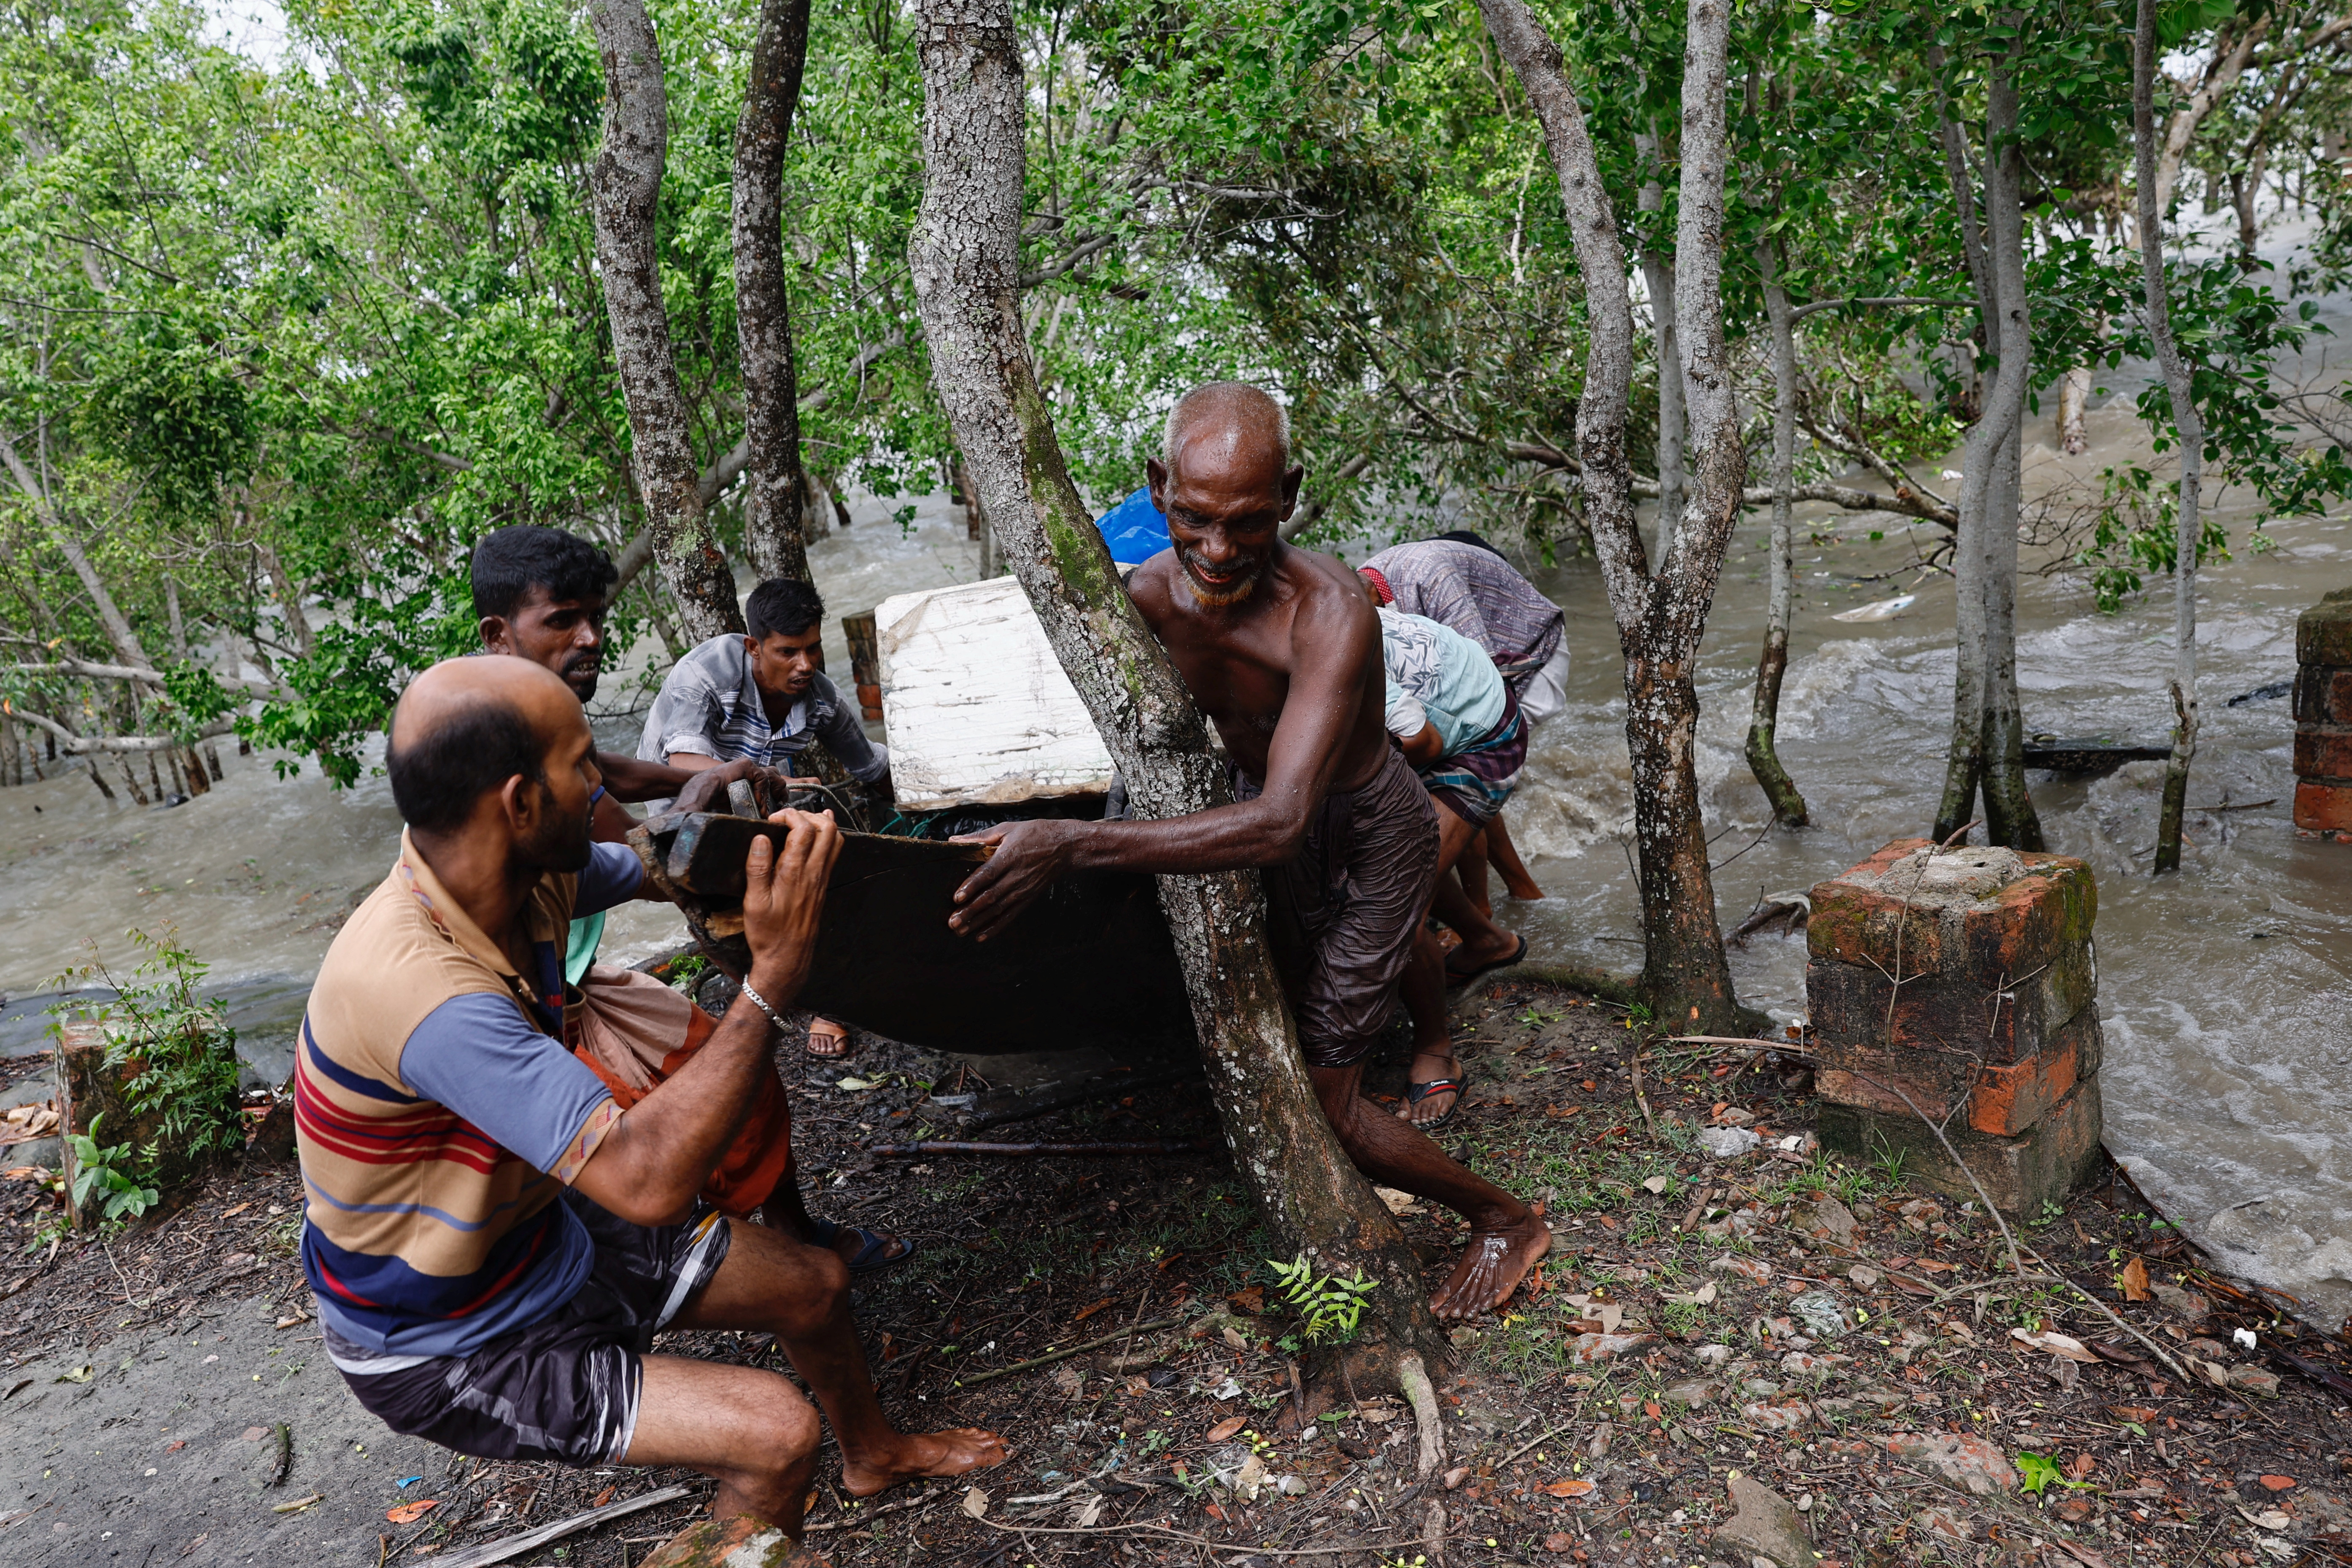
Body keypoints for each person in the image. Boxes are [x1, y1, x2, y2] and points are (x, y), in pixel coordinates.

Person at [295, 656, 1003, 1537]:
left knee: (814, 1283)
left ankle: (874, 1453)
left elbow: (657, 862)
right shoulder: (427, 994)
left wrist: (760, 841)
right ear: (520, 803)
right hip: (446, 1333)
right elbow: (647, 1181)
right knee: (776, 1434)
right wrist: (772, 980)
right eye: (582, 765)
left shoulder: (516, 876)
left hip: (533, 1233)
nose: (601, 784)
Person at [944, 382, 1550, 1321]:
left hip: (1369, 830)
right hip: (1281, 833)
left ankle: (1506, 1219)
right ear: (1158, 489)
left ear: (1290, 499)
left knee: (1327, 1100)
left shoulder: (1331, 607)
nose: (1219, 550)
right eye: (1193, 517)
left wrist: (1072, 844)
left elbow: (1277, 818)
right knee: (1302, 1011)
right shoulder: (1140, 597)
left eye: (1248, 523)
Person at [472, 527, 902, 1270]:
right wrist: (724, 830)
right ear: (497, 634)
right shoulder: (492, 733)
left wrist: (715, 775)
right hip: (512, 1002)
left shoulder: (544, 706)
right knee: (643, 1149)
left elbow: (609, 773)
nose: (590, 638)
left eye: (595, 617)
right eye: (563, 620)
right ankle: (677, 1273)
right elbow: (641, 862)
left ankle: (788, 1233)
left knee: (742, 1079)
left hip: (570, 973)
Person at [639, 577, 887, 1062]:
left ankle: (824, 1002)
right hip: (681, 805)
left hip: (760, 796)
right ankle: (759, 993)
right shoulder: (704, 675)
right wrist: (769, 778)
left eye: (812, 649)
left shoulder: (821, 699)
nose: (805, 665)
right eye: (787, 652)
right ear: (754, 647)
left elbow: (872, 769)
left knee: (814, 873)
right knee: (716, 910)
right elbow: (686, 767)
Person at [1372, 602, 1530, 1128]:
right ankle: (1489, 942)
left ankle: (1436, 1053)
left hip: (1479, 731)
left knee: (1395, 900)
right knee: (1397, 859)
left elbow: (1425, 743)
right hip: (1431, 714)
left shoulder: (1326, 642)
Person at [1358, 534, 1567, 905]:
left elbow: (1488, 669)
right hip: (1476, 665)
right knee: (1452, 778)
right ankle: (1514, 893)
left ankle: (1487, 904)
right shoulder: (1359, 589)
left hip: (1531, 651)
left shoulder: (1431, 577)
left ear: (1374, 604)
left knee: (1467, 771)